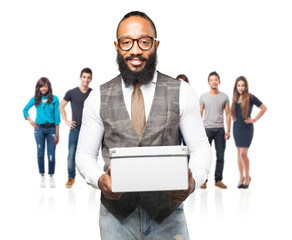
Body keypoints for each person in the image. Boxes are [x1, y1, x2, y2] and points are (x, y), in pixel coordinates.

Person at [76, 11, 212, 240]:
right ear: (117, 46)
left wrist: (193, 182)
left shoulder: (182, 92)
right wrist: (100, 180)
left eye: (144, 42)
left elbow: (200, 147)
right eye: (127, 42)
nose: (136, 50)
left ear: (156, 44)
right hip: (115, 218)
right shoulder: (97, 97)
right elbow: (84, 155)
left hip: (168, 215)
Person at [23, 77, 60, 188]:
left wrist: (57, 135)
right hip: (39, 129)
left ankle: (51, 176)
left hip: (52, 129)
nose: (43, 88)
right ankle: (42, 176)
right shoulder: (35, 99)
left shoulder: (54, 99)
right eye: (41, 86)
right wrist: (30, 121)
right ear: (38, 88)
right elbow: (25, 110)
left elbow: (57, 117)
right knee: (40, 153)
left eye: (45, 86)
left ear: (48, 87)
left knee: (51, 154)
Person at [231, 76, 267, 189]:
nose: (241, 88)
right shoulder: (235, 98)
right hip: (236, 127)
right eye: (238, 85)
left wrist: (254, 119)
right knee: (238, 153)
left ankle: (247, 177)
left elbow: (264, 108)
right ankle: (240, 177)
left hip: (247, 129)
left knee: (243, 154)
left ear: (246, 86)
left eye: (243, 85)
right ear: (236, 87)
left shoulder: (250, 97)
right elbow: (234, 112)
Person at [59, 68, 93, 188]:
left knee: (90, 155)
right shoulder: (71, 93)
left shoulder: (92, 93)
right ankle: (70, 177)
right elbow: (61, 106)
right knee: (71, 154)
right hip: (75, 130)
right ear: (80, 78)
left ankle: (91, 178)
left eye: (88, 77)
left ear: (91, 79)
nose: (86, 79)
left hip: (89, 130)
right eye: (84, 77)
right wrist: (67, 121)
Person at [199, 71, 231, 189]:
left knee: (220, 156)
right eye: (211, 80)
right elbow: (199, 115)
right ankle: (203, 180)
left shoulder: (224, 97)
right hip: (206, 129)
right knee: (205, 156)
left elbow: (228, 114)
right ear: (208, 82)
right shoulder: (203, 97)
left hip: (220, 130)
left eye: (216, 79)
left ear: (219, 82)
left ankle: (218, 180)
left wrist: (229, 130)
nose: (214, 81)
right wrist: (199, 131)